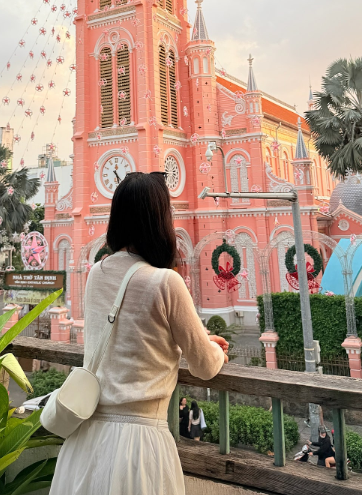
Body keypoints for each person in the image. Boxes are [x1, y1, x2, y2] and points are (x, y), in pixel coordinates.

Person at [48, 171, 228, 495]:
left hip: (86, 440)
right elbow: (204, 365)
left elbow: (129, 333)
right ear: (160, 221)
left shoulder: (95, 274)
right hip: (140, 446)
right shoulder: (166, 282)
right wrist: (209, 346)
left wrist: (191, 341)